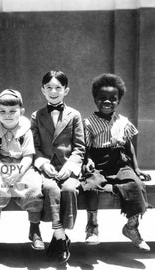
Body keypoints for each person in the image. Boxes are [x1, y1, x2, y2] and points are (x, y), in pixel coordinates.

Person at [81, 73, 151, 251]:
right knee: (91, 185)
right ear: (95, 99)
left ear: (118, 101)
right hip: (97, 162)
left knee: (136, 184)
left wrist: (136, 168)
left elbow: (129, 147)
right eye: (102, 98)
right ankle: (92, 227)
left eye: (113, 99)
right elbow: (86, 147)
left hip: (120, 162)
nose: (107, 102)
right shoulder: (88, 122)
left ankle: (131, 227)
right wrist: (88, 160)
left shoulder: (123, 122)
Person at [31, 70, 85, 264]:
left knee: (69, 189)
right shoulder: (37, 115)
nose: (53, 92)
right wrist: (43, 164)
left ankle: (58, 238)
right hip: (47, 168)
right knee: (50, 188)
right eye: (49, 88)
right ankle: (60, 235)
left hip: (67, 167)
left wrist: (70, 167)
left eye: (58, 88)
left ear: (66, 90)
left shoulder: (75, 115)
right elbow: (34, 147)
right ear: (43, 90)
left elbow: (80, 147)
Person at [0, 89, 43, 252]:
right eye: (2, 111)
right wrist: (2, 170)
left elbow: (28, 156)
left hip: (22, 166)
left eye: (13, 111)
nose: (7, 115)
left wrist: (18, 172)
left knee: (33, 188)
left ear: (21, 111)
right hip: (1, 166)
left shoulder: (26, 131)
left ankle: (35, 230)